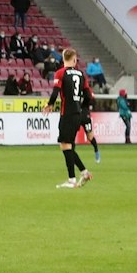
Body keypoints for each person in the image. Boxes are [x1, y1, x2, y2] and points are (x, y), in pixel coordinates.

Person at [48, 48, 96, 188]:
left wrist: (50, 104)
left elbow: (56, 91)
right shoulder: (81, 74)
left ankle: (72, 179)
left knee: (65, 146)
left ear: (63, 59)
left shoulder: (60, 73)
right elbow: (88, 97)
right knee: (68, 146)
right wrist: (83, 109)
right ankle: (84, 173)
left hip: (67, 114)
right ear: (74, 60)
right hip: (77, 114)